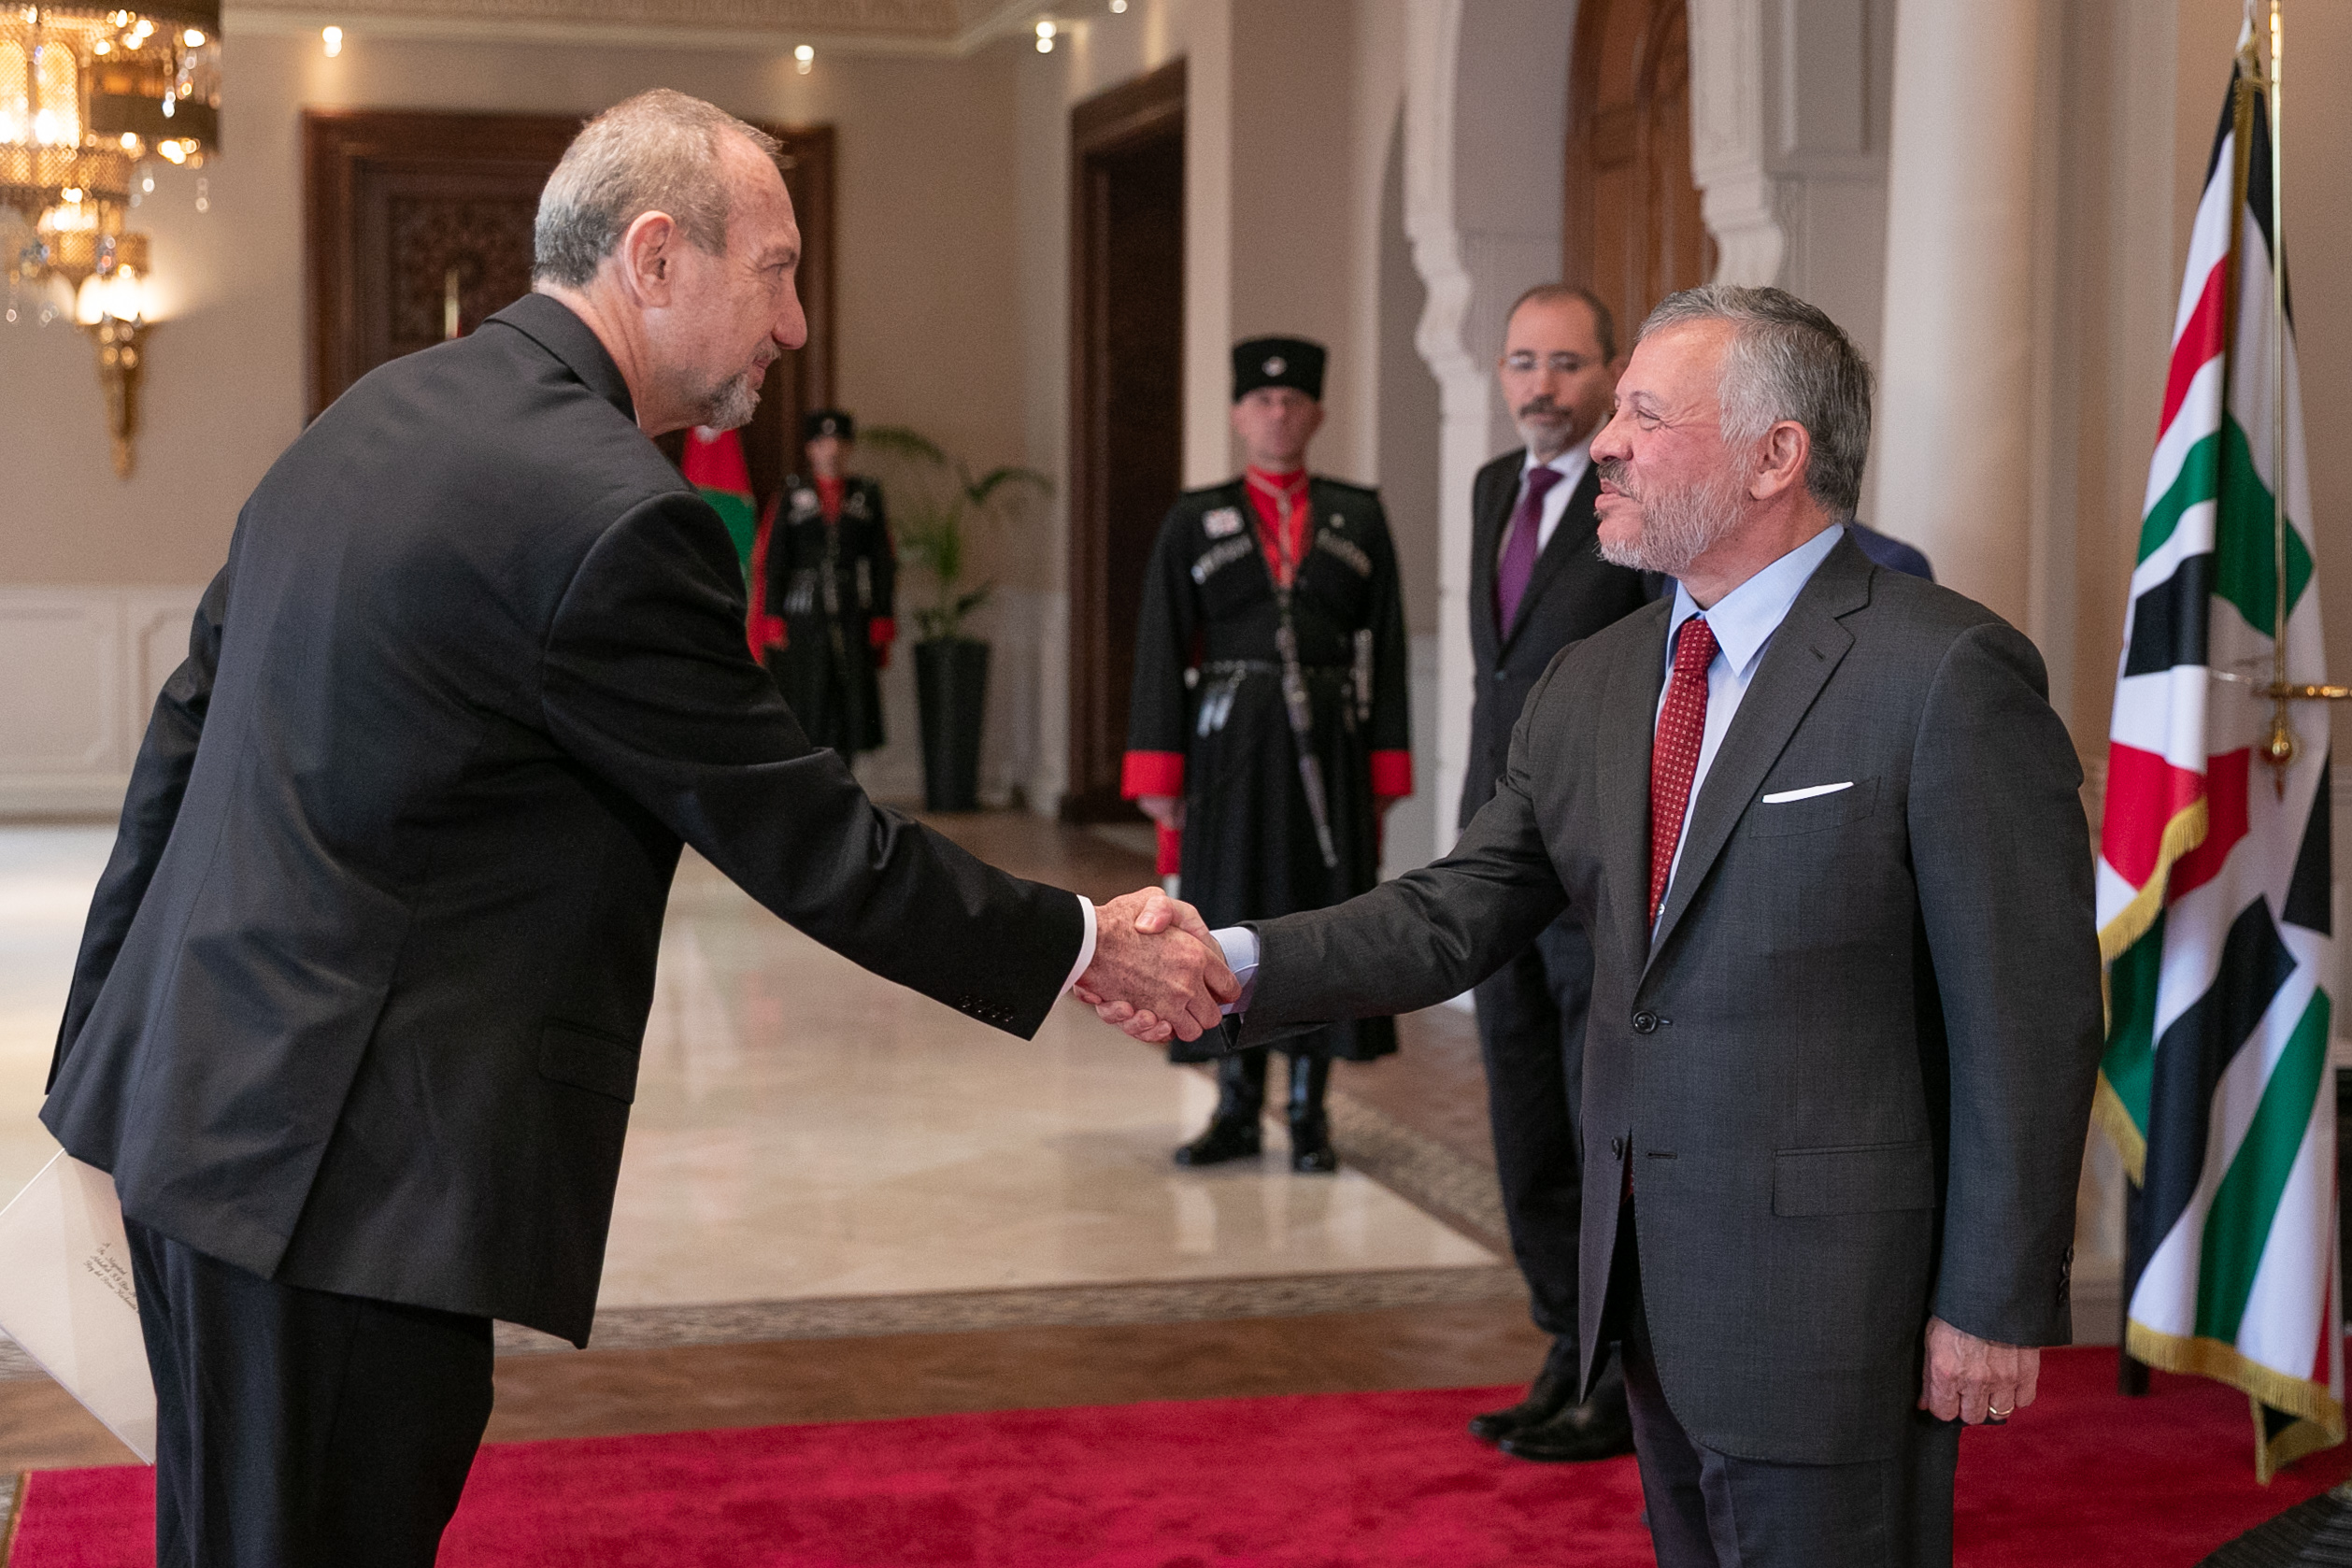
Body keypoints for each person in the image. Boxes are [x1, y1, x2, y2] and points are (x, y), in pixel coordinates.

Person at [40, 90, 1233, 1568]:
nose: (794, 323)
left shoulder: (368, 415)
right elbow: (804, 832)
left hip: (192, 1117)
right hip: (340, 1187)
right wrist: (1079, 939)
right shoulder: (610, 515)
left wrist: (94, 1059)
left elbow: (179, 738)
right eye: (778, 268)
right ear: (656, 254)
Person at [1094, 285, 2101, 1566]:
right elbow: (1452, 912)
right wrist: (1228, 961)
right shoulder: (1597, 679)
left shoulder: (1944, 673)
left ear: (1773, 455)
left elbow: (2028, 1010)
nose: (1603, 442)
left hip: (1838, 1310)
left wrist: (1991, 1297)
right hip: (1646, 1300)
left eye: (1640, 411)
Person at [1122, 337, 1412, 1174]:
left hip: (1330, 748)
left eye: (1292, 403)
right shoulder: (1193, 517)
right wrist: (1157, 776)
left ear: (1315, 414)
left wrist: (1386, 771)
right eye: (1260, 402)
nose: (1276, 414)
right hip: (1229, 758)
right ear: (1237, 414)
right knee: (1225, 921)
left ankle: (1309, 1110)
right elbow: (1158, 647)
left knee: (1322, 928)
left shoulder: (1357, 515)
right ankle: (1237, 1107)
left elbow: (1385, 648)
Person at [1461, 284, 1651, 1464]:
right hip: (1498, 853)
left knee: (1598, 1128)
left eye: (1568, 365)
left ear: (1610, 372)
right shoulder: (1495, 487)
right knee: (1522, 1112)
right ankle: (1558, 1339)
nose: (1544, 387)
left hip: (1596, 862)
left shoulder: (1635, 491)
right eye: (1524, 362)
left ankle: (1619, 1366)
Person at [763, 407, 897, 756]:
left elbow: (883, 558)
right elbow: (775, 557)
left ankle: (845, 772)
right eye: (823, 443)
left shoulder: (866, 494)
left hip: (853, 608)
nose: (832, 450)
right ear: (810, 449)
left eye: (839, 442)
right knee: (808, 694)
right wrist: (772, 615)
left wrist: (883, 615)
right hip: (804, 611)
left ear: (849, 447)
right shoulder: (793, 494)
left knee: (850, 695)